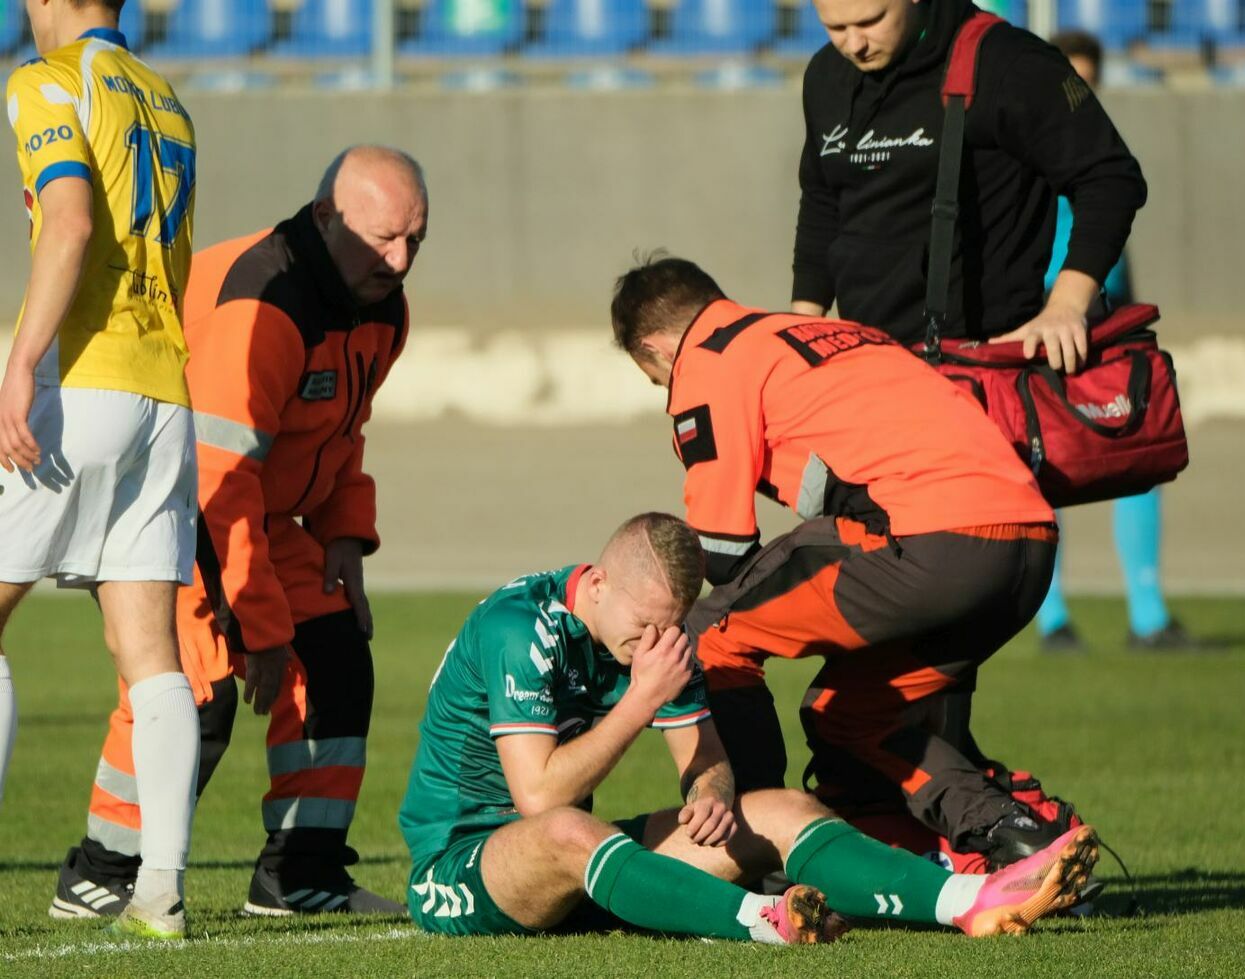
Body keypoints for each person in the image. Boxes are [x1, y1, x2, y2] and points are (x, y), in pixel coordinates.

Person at [398, 512, 1099, 941]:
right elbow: (538, 799)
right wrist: (642, 699)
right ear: (599, 583)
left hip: (574, 867)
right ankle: (762, 922)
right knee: (567, 829)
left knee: (780, 810)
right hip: (462, 867)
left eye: (669, 628)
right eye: (643, 627)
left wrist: (709, 788)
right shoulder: (520, 627)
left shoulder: (655, 636)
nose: (655, 645)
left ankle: (969, 899)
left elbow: (705, 759)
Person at [49, 145, 425, 920]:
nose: (400, 258)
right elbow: (220, 476)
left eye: (416, 240)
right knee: (197, 689)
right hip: (170, 503)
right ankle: (103, 867)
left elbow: (342, 433)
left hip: (252, 509)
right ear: (326, 217)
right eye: (384, 238)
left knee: (336, 658)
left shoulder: (381, 306)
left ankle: (300, 872)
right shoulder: (265, 301)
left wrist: (345, 535)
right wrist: (257, 623)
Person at [611, 255, 1076, 868]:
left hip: (930, 541)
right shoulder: (831, 334)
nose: (665, 390)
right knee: (846, 716)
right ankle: (1014, 836)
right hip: (1030, 546)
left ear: (658, 349)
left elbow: (721, 549)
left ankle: (757, 852)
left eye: (655, 379)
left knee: (705, 636)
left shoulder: (710, 359)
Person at [0, 0, 199, 940]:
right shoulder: (166, 99)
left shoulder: (44, 81)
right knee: (149, 649)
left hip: (84, 381)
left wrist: (20, 359)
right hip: (166, 390)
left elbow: (70, 222)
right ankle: (160, 888)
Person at [792, 0, 1147, 373]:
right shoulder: (825, 75)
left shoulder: (1008, 61)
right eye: (835, 28)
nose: (854, 45)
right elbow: (821, 203)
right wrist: (803, 329)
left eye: (870, 21)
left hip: (982, 366)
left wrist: (1066, 307)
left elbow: (1109, 177)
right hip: (865, 364)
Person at [1034, 31, 1192, 653]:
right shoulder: (1021, 152)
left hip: (1109, 321)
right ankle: (1051, 621)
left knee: (1139, 454)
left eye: (1087, 83)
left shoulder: (1099, 156)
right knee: (1045, 463)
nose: (1079, 96)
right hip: (1040, 326)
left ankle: (1148, 616)